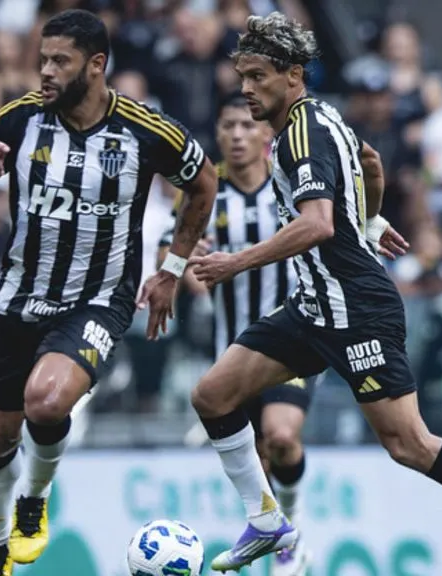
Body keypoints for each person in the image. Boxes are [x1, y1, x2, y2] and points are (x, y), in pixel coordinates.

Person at [182, 12, 442, 572]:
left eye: (258, 75)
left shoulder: (301, 135)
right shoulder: (323, 115)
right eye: (242, 75)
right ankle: (266, 520)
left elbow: (316, 225)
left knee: (409, 443)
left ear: (292, 75)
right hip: (315, 305)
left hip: (356, 308)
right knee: (211, 395)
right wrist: (369, 218)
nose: (246, 88)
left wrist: (237, 261)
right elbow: (371, 164)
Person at [0, 9, 217, 575]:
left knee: (46, 399)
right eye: (42, 59)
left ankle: (35, 498)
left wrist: (170, 267)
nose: (45, 71)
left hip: (99, 297)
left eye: (59, 61)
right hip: (19, 296)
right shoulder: (18, 119)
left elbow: (203, 180)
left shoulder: (145, 129)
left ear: (96, 66)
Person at [157, 91, 314, 574]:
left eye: (248, 126)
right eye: (228, 126)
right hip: (233, 348)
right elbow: (172, 244)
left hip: (293, 341)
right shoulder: (206, 192)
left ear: (268, 133)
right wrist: (183, 266)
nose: (238, 135)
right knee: (261, 459)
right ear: (219, 135)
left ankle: (293, 529)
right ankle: (275, 526)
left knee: (282, 436)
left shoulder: (292, 188)